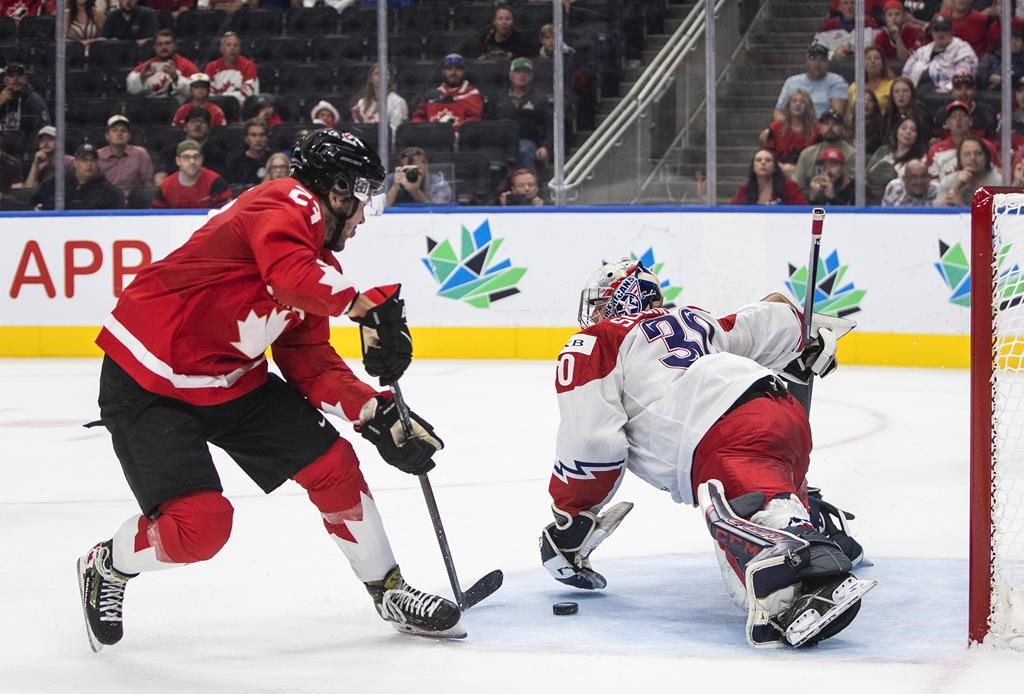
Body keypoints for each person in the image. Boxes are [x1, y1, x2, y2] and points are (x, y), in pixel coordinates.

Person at [77, 128, 463, 653]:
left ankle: (388, 590)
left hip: (232, 381)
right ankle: (108, 563)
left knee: (334, 464)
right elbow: (286, 278)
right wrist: (362, 305)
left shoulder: (320, 268)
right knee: (201, 528)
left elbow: (308, 361)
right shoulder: (281, 199)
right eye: (360, 199)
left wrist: (375, 413)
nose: (364, 215)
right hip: (150, 382)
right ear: (335, 191)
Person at [539, 259, 872, 649]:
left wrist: (571, 513)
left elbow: (594, 445)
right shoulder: (695, 320)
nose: (594, 315)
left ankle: (802, 555)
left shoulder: (598, 340)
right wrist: (804, 334)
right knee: (757, 533)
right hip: (783, 418)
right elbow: (770, 315)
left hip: (722, 432)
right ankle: (812, 528)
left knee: (763, 549)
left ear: (618, 300)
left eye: (600, 304)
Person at [485, 58, 552, 172]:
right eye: (518, 72)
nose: (522, 75)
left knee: (524, 151)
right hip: (500, 142)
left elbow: (549, 126)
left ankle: (528, 185)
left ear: (531, 77)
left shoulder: (540, 99)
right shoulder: (497, 98)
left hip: (527, 141)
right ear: (511, 76)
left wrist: (546, 147)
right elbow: (487, 122)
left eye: (526, 72)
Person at [31, 143, 126, 210]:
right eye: (84, 160)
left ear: (98, 163)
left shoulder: (110, 191)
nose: (89, 164)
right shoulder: (57, 182)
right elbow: (33, 200)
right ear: (75, 163)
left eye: (93, 160)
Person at [901, 14, 977, 95]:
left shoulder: (962, 49)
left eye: (944, 29)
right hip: (916, 94)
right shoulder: (922, 51)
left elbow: (964, 76)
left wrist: (948, 88)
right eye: (936, 29)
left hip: (944, 95)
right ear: (931, 32)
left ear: (951, 31)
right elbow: (906, 73)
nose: (940, 33)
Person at [410, 54, 484, 133]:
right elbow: (417, 117)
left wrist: (447, 133)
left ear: (464, 72)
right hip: (430, 137)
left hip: (460, 139)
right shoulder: (430, 95)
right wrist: (426, 131)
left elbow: (473, 122)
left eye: (458, 69)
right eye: (449, 69)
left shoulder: (472, 94)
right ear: (443, 72)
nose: (453, 72)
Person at [774, 43, 849, 121]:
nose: (817, 64)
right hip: (795, 127)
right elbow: (778, 112)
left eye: (822, 59)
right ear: (806, 62)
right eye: (813, 59)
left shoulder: (837, 81)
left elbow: (836, 114)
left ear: (828, 63)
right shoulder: (791, 82)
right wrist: (791, 127)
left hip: (823, 128)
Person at [927, 100, 998, 180]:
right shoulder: (936, 150)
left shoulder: (986, 146)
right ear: (947, 123)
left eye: (962, 115)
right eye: (953, 116)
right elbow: (932, 180)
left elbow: (997, 174)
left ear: (970, 121)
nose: (958, 119)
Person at [152, 139, 232, 209]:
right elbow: (157, 216)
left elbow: (227, 213)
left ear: (201, 159)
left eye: (196, 157)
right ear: (178, 161)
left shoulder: (216, 183)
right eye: (186, 157)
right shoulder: (166, 187)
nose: (192, 161)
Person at [866, 114, 928, 202]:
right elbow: (867, 173)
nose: (907, 132)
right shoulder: (883, 150)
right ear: (896, 130)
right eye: (903, 128)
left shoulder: (920, 159)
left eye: (913, 130)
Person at [793, 108, 855, 194]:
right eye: (826, 124)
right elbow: (796, 186)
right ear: (819, 127)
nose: (830, 128)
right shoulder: (807, 154)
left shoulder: (852, 155)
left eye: (835, 124)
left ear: (842, 128)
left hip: (843, 203)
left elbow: (856, 189)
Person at [760, 89, 820, 177]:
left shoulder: (816, 129)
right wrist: (783, 167)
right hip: (779, 170)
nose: (797, 104)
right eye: (794, 101)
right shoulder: (776, 128)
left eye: (802, 102)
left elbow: (818, 157)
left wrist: (797, 170)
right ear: (788, 106)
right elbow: (769, 154)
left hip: (807, 172)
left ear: (807, 106)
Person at [126, 28, 199, 100]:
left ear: (175, 46)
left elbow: (197, 93)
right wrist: (141, 77)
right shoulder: (146, 66)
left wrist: (176, 78)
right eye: (159, 44)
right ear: (154, 47)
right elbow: (131, 89)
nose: (164, 47)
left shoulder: (188, 67)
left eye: (167, 43)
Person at [98, 114, 155, 196]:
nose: (119, 133)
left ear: (129, 136)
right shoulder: (98, 155)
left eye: (123, 131)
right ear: (107, 136)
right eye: (114, 130)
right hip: (106, 199)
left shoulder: (140, 153)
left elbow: (147, 182)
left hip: (133, 201)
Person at [935, 136, 1002, 207]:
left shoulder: (998, 182)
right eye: (967, 154)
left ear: (986, 157)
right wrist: (957, 185)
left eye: (978, 153)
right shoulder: (948, 181)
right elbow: (935, 212)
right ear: (959, 159)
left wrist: (962, 206)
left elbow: (1001, 215)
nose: (973, 158)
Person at [459, 3, 539, 60]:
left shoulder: (521, 40)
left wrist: (513, 57)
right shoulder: (485, 39)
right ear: (494, 22)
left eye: (508, 19)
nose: (504, 23)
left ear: (513, 22)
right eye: (500, 19)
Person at [350, 64, 409, 140]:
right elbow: (358, 130)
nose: (381, 77)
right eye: (377, 74)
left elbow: (395, 130)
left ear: (389, 78)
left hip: (386, 145)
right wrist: (360, 121)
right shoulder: (361, 103)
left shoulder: (397, 101)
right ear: (371, 79)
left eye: (385, 74)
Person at [931, 70, 996, 139]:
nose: (963, 93)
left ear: (974, 90)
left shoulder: (987, 113)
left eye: (968, 88)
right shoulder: (942, 113)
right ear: (952, 91)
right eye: (958, 88)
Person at [729, 149, 807, 205]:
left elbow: (803, 212)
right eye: (758, 160)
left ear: (774, 167)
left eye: (768, 160)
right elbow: (730, 212)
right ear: (753, 167)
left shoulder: (789, 187)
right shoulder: (744, 190)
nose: (763, 162)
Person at [204, 31, 260, 107]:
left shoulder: (248, 65)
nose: (232, 48)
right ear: (221, 49)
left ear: (239, 49)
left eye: (235, 45)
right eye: (228, 45)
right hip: (216, 106)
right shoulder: (211, 66)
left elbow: (249, 92)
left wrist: (222, 96)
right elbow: (208, 91)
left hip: (240, 107)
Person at [384, 146, 453, 206]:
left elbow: (438, 210)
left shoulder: (438, 183)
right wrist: (395, 187)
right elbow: (380, 208)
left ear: (426, 165)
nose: (412, 173)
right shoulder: (391, 180)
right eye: (407, 169)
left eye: (416, 169)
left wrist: (415, 191)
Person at [0, 62, 50, 141]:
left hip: (26, 150)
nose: (15, 79)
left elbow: (44, 130)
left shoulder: (34, 100)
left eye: (19, 75)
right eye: (11, 76)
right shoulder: (1, 98)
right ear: (5, 80)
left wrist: (28, 152)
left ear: (25, 79)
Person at [814, 0, 878, 61]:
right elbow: (815, 52)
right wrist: (833, 54)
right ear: (839, 7)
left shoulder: (870, 24)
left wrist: (862, 52)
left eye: (852, 2)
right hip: (835, 68)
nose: (849, 6)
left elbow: (880, 51)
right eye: (845, 3)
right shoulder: (828, 26)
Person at [21, 125, 73, 189]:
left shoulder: (70, 161)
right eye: (42, 140)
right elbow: (28, 190)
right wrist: (35, 164)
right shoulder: (41, 166)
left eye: (50, 139)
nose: (45, 143)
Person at [882, 76, 933, 142]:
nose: (901, 95)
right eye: (896, 91)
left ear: (912, 94)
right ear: (892, 95)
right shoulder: (888, 115)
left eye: (905, 91)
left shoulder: (921, 115)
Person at [848, 46, 895, 116]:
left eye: (877, 58)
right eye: (868, 58)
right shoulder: (854, 87)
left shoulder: (892, 85)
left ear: (883, 63)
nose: (873, 61)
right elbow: (849, 114)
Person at [225, 118, 270, 186]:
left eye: (262, 135)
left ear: (267, 138)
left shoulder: (273, 159)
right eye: (253, 135)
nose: (258, 139)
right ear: (246, 139)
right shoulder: (236, 163)